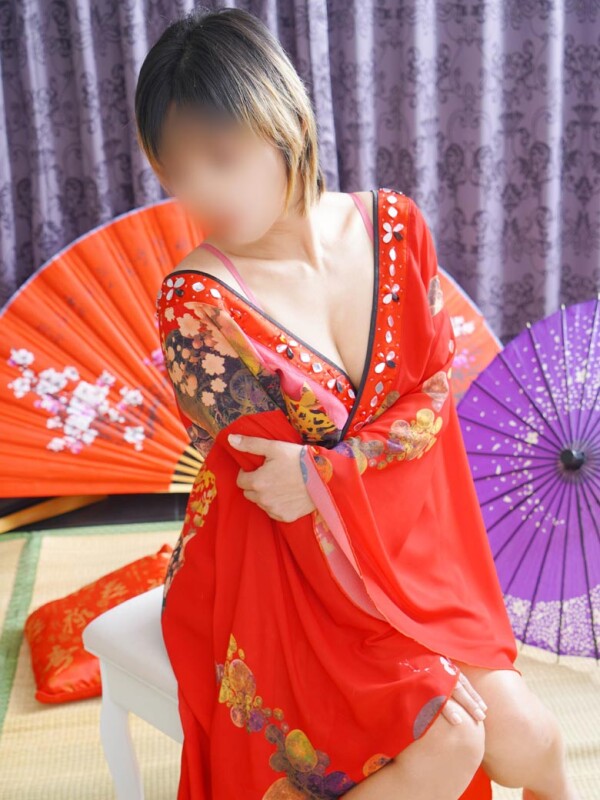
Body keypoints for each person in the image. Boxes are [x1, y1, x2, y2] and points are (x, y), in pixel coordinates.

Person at [135, 7, 580, 800]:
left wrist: (326, 469)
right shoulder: (196, 303)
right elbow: (270, 492)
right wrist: (326, 480)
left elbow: (432, 400)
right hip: (281, 571)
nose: (202, 192)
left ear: (284, 123)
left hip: (406, 535)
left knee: (531, 742)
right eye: (178, 172)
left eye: (221, 157)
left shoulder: (397, 229)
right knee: (450, 739)